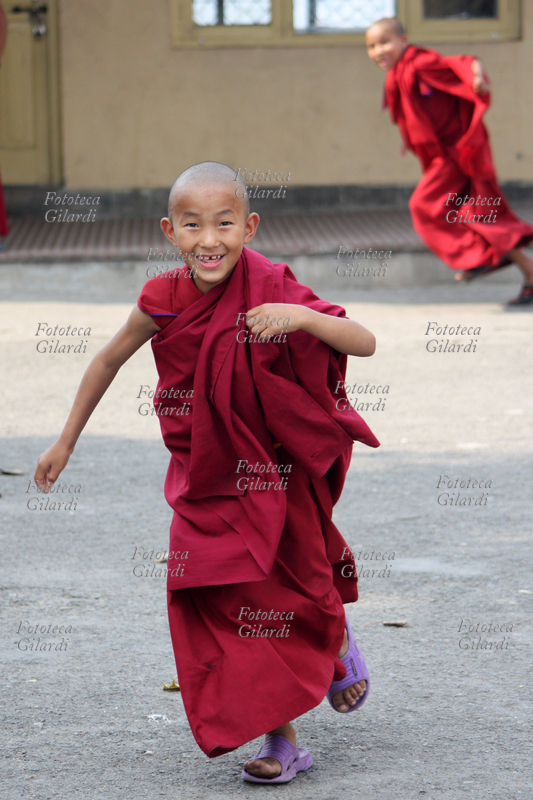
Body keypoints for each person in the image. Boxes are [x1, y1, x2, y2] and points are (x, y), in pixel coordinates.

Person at [34, 162, 380, 783]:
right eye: (192, 225)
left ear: (249, 227)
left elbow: (363, 340)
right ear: (170, 231)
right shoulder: (164, 300)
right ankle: (281, 737)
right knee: (215, 592)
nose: (208, 239)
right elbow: (109, 359)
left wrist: (299, 318)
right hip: (204, 478)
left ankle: (332, 643)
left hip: (272, 471)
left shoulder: (272, 284)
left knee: (292, 580)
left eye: (223, 223)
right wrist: (66, 440)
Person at [366, 17, 533, 305]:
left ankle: (478, 258)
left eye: (384, 42)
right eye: (371, 46)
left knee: (423, 205)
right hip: (444, 156)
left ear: (403, 40)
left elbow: (464, 62)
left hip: (458, 152)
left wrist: (477, 78)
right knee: (476, 215)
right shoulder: (397, 73)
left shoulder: (418, 62)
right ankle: (530, 276)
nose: (378, 50)